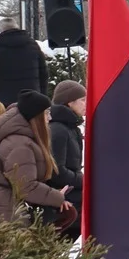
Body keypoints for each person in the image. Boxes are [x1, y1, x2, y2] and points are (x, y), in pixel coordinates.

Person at [0, 90, 70, 225]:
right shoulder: (20, 146)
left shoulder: (22, 140)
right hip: (10, 213)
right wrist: (57, 197)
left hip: (10, 207)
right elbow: (26, 187)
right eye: (47, 113)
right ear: (37, 117)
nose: (50, 118)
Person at [0, 19, 51, 105]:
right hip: (32, 98)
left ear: (1, 30)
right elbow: (43, 73)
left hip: (5, 101)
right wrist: (42, 96)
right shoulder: (32, 44)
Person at [46, 81, 86, 218]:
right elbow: (56, 171)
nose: (86, 103)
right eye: (82, 100)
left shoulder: (70, 127)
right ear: (69, 103)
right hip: (63, 196)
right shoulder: (59, 130)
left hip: (71, 190)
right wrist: (83, 180)